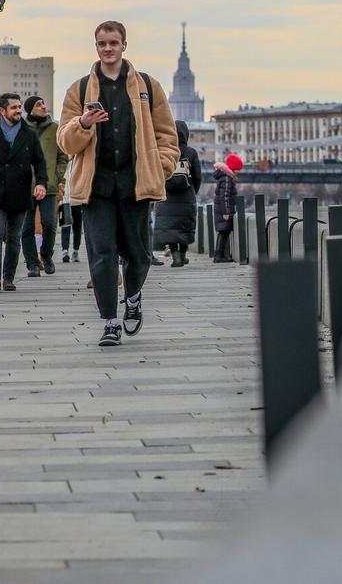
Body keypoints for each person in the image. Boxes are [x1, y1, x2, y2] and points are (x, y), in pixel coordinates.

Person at [57, 21, 178, 348]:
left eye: (113, 43)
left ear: (124, 45)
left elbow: (168, 135)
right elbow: (65, 143)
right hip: (96, 189)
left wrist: (161, 166)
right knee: (102, 256)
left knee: (138, 255)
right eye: (101, 43)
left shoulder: (148, 87)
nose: (107, 48)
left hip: (136, 185)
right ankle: (110, 321)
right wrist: (82, 123)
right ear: (95, 47)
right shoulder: (80, 90)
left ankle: (134, 296)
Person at [0, 93, 48, 292]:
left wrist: (41, 183)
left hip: (20, 191)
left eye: (19, 107)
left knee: (14, 238)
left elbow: (39, 160)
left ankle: (8, 278)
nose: (18, 111)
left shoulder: (29, 134)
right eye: (13, 107)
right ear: (2, 110)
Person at [20, 96, 69, 277]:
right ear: (30, 109)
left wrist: (57, 177)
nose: (43, 106)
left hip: (49, 186)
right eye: (38, 104)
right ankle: (32, 263)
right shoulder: (21, 129)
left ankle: (46, 255)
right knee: (26, 228)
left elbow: (63, 156)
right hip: (25, 187)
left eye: (43, 103)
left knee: (49, 223)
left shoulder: (55, 128)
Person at [153, 121, 202, 267]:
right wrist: (193, 191)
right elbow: (197, 176)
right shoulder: (191, 152)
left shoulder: (163, 151)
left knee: (170, 229)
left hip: (166, 196)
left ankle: (176, 258)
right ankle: (182, 255)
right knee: (184, 228)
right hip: (186, 196)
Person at [213, 153, 241, 263]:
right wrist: (226, 212)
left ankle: (220, 255)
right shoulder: (227, 178)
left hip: (222, 210)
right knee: (223, 233)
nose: (239, 171)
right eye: (238, 169)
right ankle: (219, 256)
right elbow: (224, 196)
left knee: (223, 232)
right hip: (224, 211)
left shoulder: (225, 177)